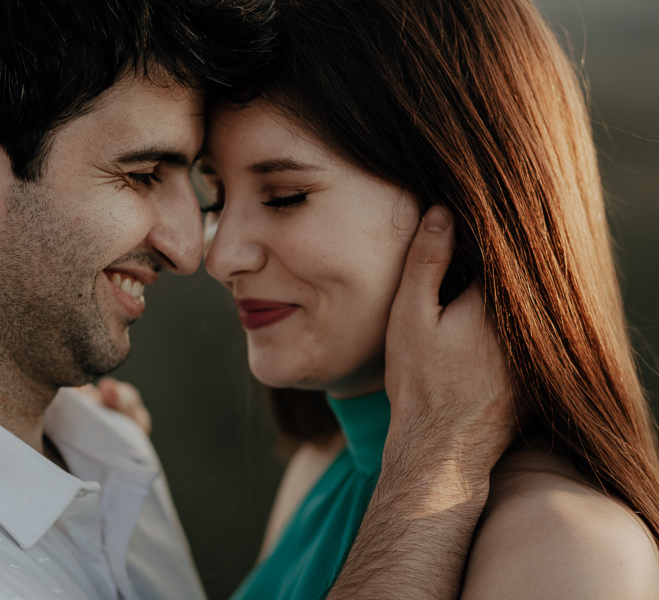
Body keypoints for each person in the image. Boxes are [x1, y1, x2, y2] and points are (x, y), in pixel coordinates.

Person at [0, 0, 516, 598]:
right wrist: (431, 479)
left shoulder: (105, 453)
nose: (195, 249)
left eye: (198, 186)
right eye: (142, 174)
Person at [195, 0, 659, 598]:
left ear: (464, 205)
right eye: (214, 198)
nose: (221, 255)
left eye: (284, 196)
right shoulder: (321, 471)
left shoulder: (566, 547)